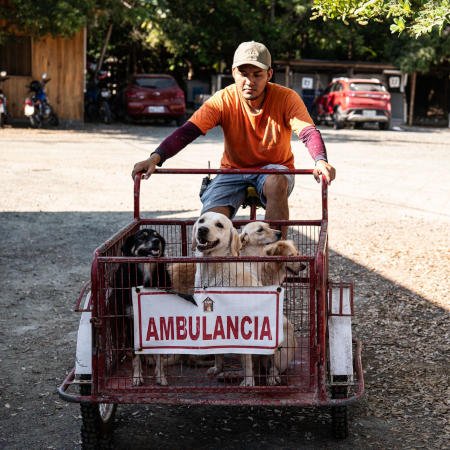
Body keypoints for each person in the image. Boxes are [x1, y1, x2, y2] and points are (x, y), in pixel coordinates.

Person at [132, 41, 336, 224]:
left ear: (269, 75)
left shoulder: (287, 98)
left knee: (276, 179)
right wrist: (155, 158)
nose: (250, 81)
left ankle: (274, 258)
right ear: (233, 73)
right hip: (232, 170)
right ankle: (210, 263)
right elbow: (188, 131)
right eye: (244, 74)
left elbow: (308, 132)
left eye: (257, 75)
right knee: (210, 224)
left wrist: (320, 160)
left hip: (274, 169)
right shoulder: (222, 100)